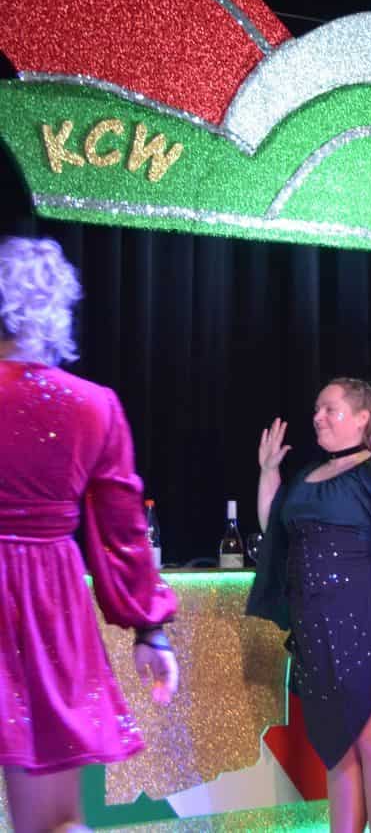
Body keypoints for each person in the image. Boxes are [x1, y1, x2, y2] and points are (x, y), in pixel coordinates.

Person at [0, 236, 179, 833]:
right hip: (47, 606)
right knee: (54, 820)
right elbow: (123, 532)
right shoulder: (94, 406)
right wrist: (149, 630)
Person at [248, 380, 371, 833]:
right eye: (316, 409)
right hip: (316, 629)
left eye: (330, 409)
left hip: (368, 621)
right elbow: (276, 532)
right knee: (337, 746)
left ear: (362, 418)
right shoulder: (306, 477)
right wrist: (268, 473)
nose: (317, 417)